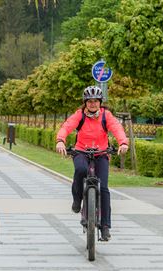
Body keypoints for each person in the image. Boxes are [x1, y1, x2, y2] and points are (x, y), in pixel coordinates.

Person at [55, 86, 128, 241]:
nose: (93, 104)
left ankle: (105, 227)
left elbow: (116, 127)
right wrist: (60, 140)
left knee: (104, 188)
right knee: (81, 170)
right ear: (85, 102)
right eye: (90, 101)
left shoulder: (105, 115)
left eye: (96, 101)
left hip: (101, 153)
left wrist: (123, 142)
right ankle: (77, 199)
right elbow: (67, 126)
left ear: (100, 102)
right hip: (81, 151)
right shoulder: (79, 115)